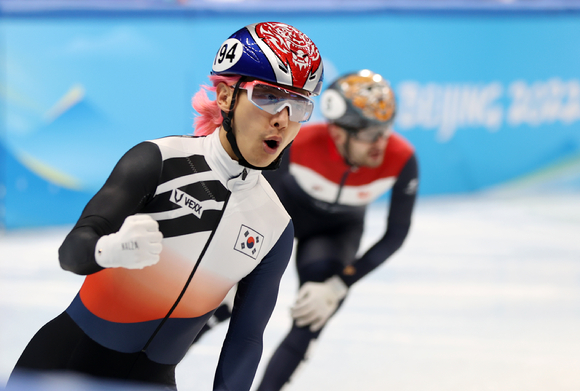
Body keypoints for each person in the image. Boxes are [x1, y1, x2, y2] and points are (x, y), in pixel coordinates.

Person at [7, 21, 323, 391]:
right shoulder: (159, 160)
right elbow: (71, 253)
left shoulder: (275, 226)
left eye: (298, 104)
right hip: (62, 365)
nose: (282, 119)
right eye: (268, 96)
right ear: (224, 97)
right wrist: (109, 250)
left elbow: (246, 339)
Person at [193, 69, 419, 390]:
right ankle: (149, 368)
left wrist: (340, 285)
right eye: (371, 135)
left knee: (314, 313)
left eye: (386, 131)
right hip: (279, 217)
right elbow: (249, 195)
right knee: (224, 300)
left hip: (334, 234)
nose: (382, 144)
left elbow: (395, 235)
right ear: (339, 133)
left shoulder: (402, 157)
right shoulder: (300, 142)